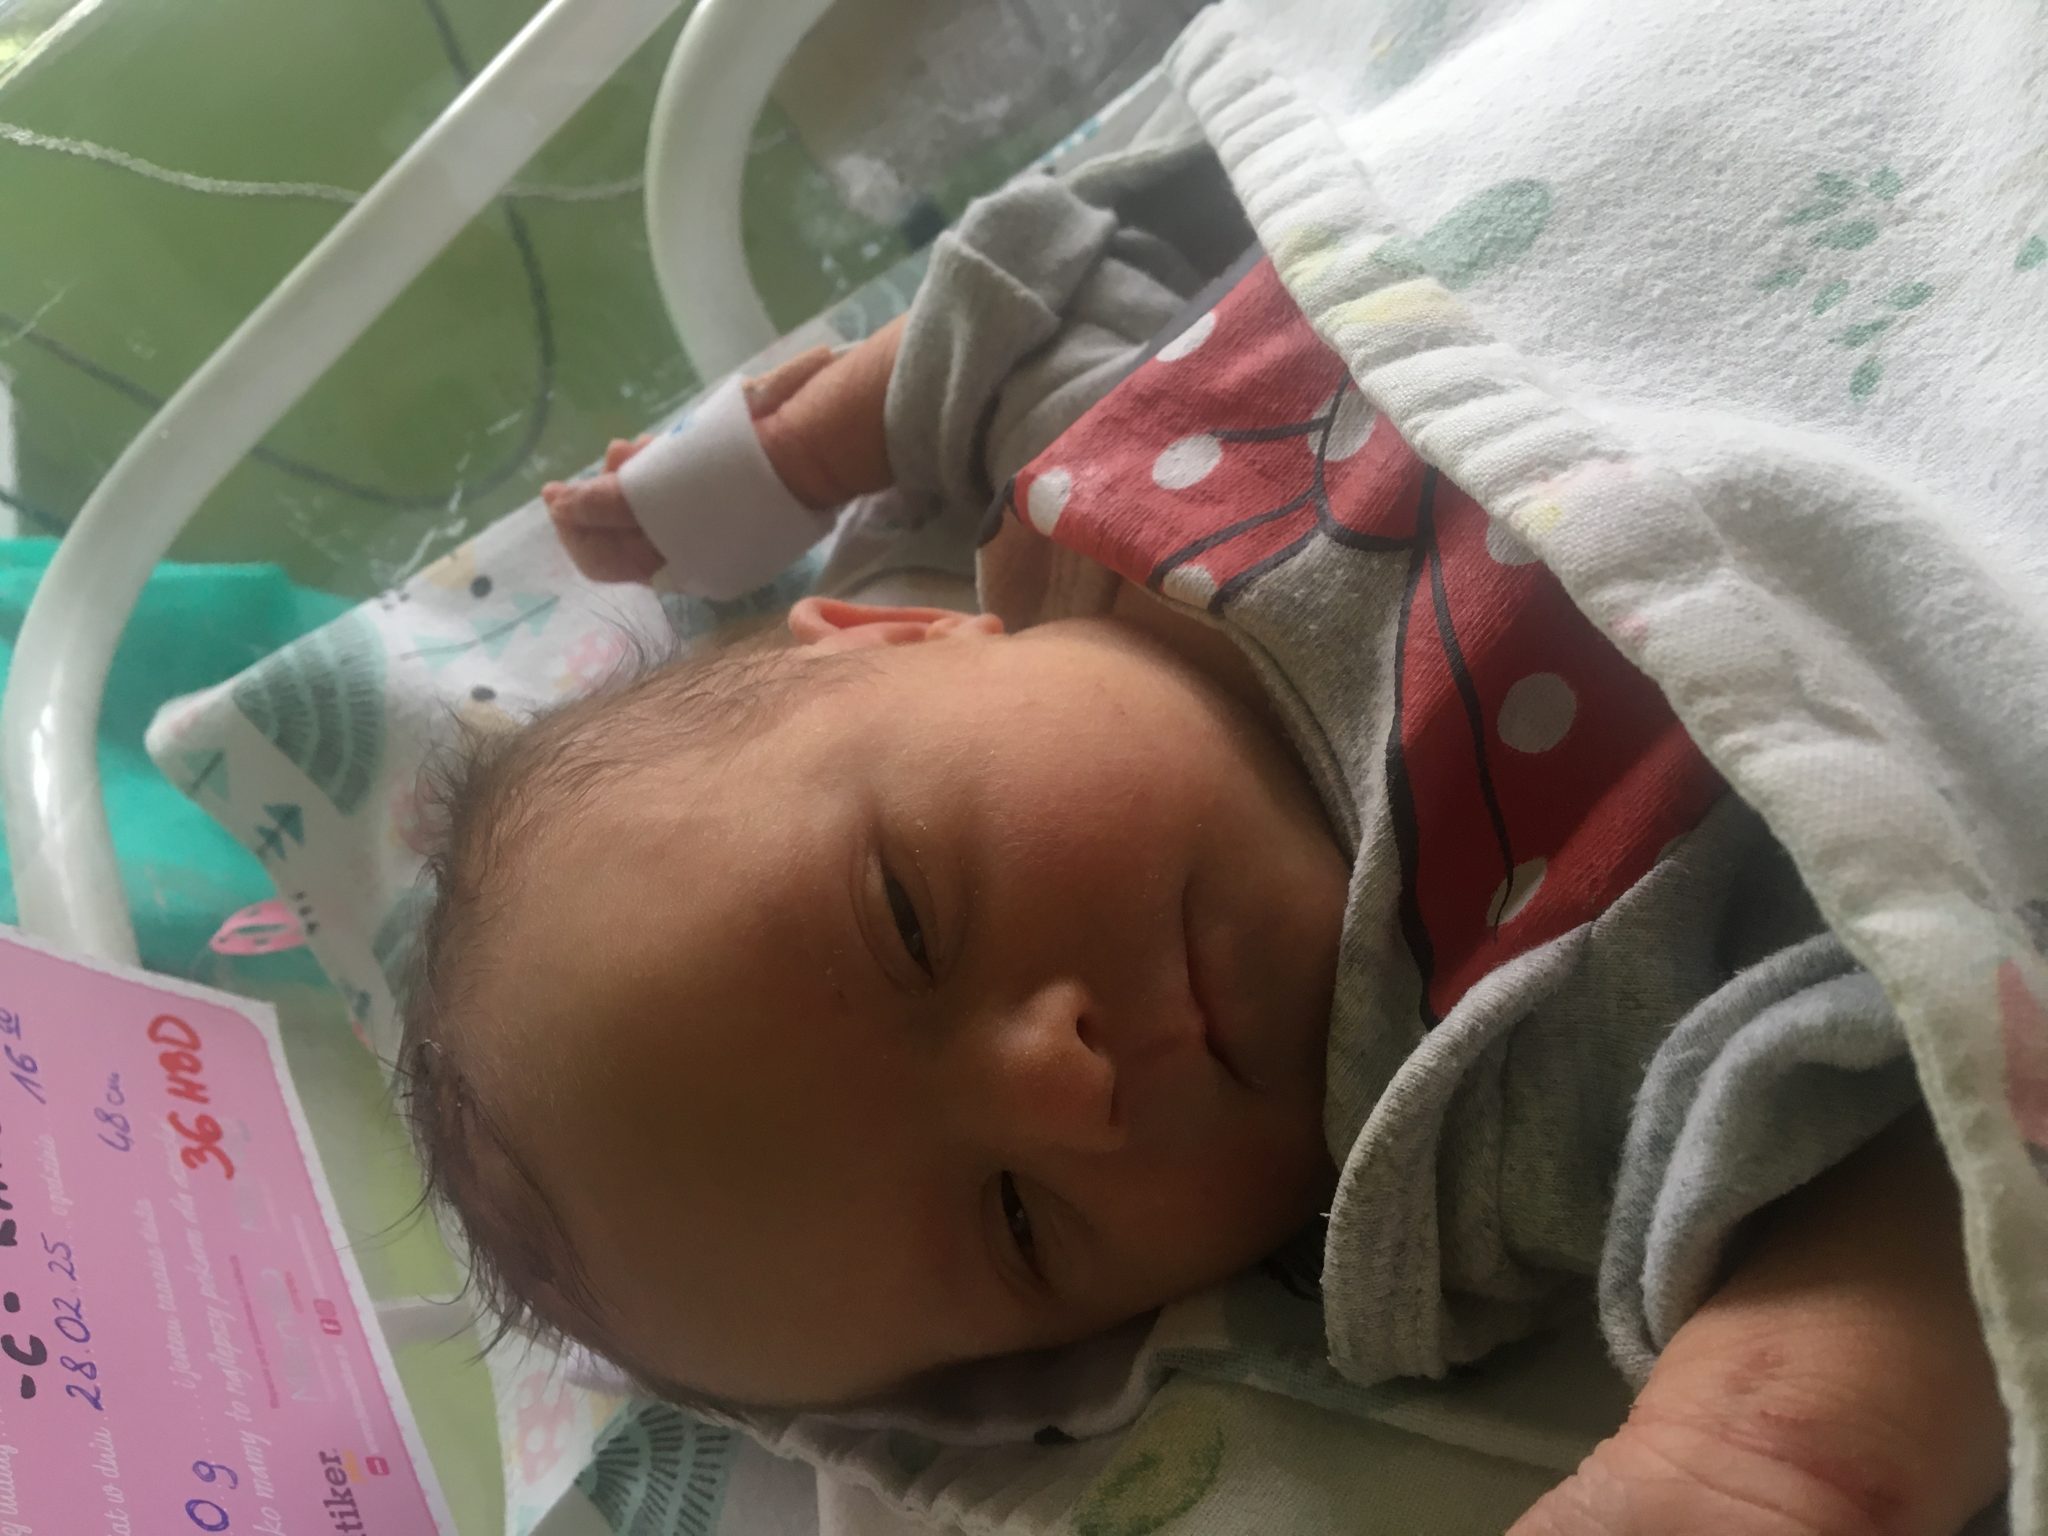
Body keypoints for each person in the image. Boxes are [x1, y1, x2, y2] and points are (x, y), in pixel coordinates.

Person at [409, 147, 2009, 1535]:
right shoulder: (1465, 1123)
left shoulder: (1101, 466)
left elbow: (1044, 287)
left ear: (900, 637)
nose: (1060, 1082)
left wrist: (817, 444)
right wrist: (1765, 1448)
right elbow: (1925, 1092)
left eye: (910, 921)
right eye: (1017, 1220)